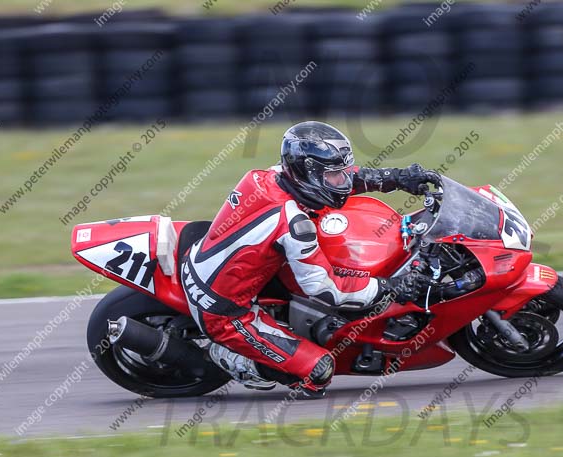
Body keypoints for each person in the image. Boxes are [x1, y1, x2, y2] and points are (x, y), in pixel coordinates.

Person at [181, 121, 441, 398]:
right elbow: (328, 290)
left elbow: (343, 178)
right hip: (224, 311)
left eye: (340, 173)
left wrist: (397, 177)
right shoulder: (294, 225)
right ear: (308, 173)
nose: (342, 180)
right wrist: (392, 287)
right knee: (319, 373)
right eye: (334, 175)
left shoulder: (268, 176)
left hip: (213, 261)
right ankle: (230, 357)